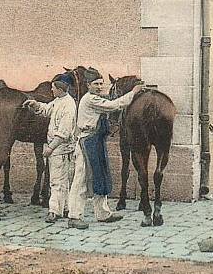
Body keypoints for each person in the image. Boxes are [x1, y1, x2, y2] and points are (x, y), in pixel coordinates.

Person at [66, 67, 142, 229]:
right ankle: (74, 216)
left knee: (100, 176)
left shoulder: (95, 98)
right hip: (87, 141)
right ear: (88, 85)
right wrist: (134, 92)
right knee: (81, 180)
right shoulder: (90, 99)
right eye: (96, 84)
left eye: (101, 83)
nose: (100, 87)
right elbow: (115, 105)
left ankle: (103, 213)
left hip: (96, 140)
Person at [22, 77, 77, 223]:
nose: (51, 90)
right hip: (60, 148)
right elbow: (47, 110)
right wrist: (35, 105)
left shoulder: (69, 106)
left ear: (60, 89)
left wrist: (50, 148)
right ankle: (65, 208)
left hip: (60, 148)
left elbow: (64, 133)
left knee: (56, 180)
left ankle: (54, 211)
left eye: (53, 88)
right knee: (63, 180)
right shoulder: (59, 101)